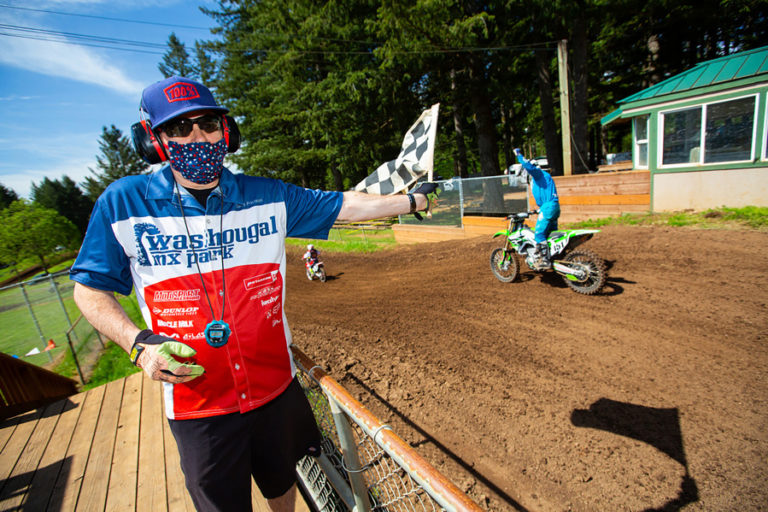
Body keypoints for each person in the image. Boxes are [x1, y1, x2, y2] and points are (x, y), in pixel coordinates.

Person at [69, 75, 439, 512]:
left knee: (283, 480)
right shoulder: (123, 203)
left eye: (207, 123)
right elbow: (89, 292)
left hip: (274, 388)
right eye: (179, 129)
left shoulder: (267, 194)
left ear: (227, 131)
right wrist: (138, 345)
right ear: (154, 139)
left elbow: (348, 203)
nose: (197, 137)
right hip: (197, 402)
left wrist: (414, 202)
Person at [514, 148, 560, 267]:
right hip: (552, 207)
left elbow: (529, 167)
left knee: (539, 234)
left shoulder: (538, 175)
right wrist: (537, 210)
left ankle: (544, 261)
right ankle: (556, 257)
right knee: (550, 235)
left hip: (548, 208)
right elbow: (547, 197)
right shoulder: (544, 178)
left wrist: (519, 155)